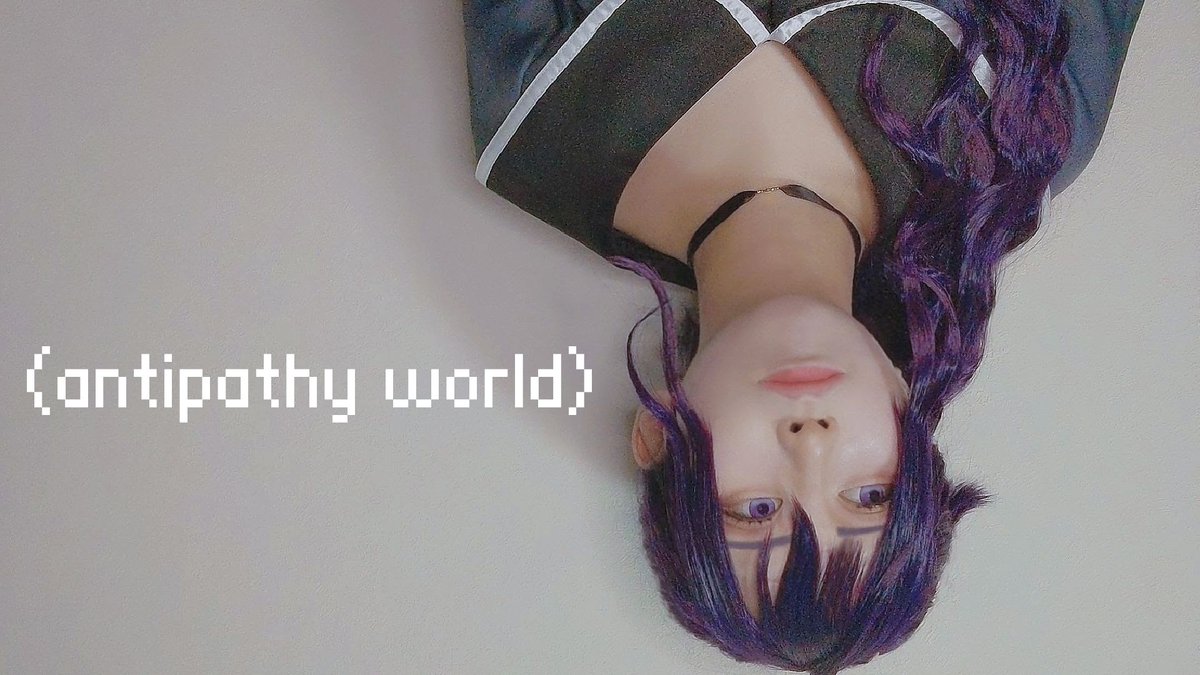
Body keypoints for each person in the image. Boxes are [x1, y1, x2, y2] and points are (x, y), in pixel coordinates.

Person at [462, 1, 1143, 672]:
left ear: (658, 435)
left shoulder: (536, 123)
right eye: (869, 495)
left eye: (757, 509)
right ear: (907, 404)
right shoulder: (1021, 143)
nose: (811, 444)